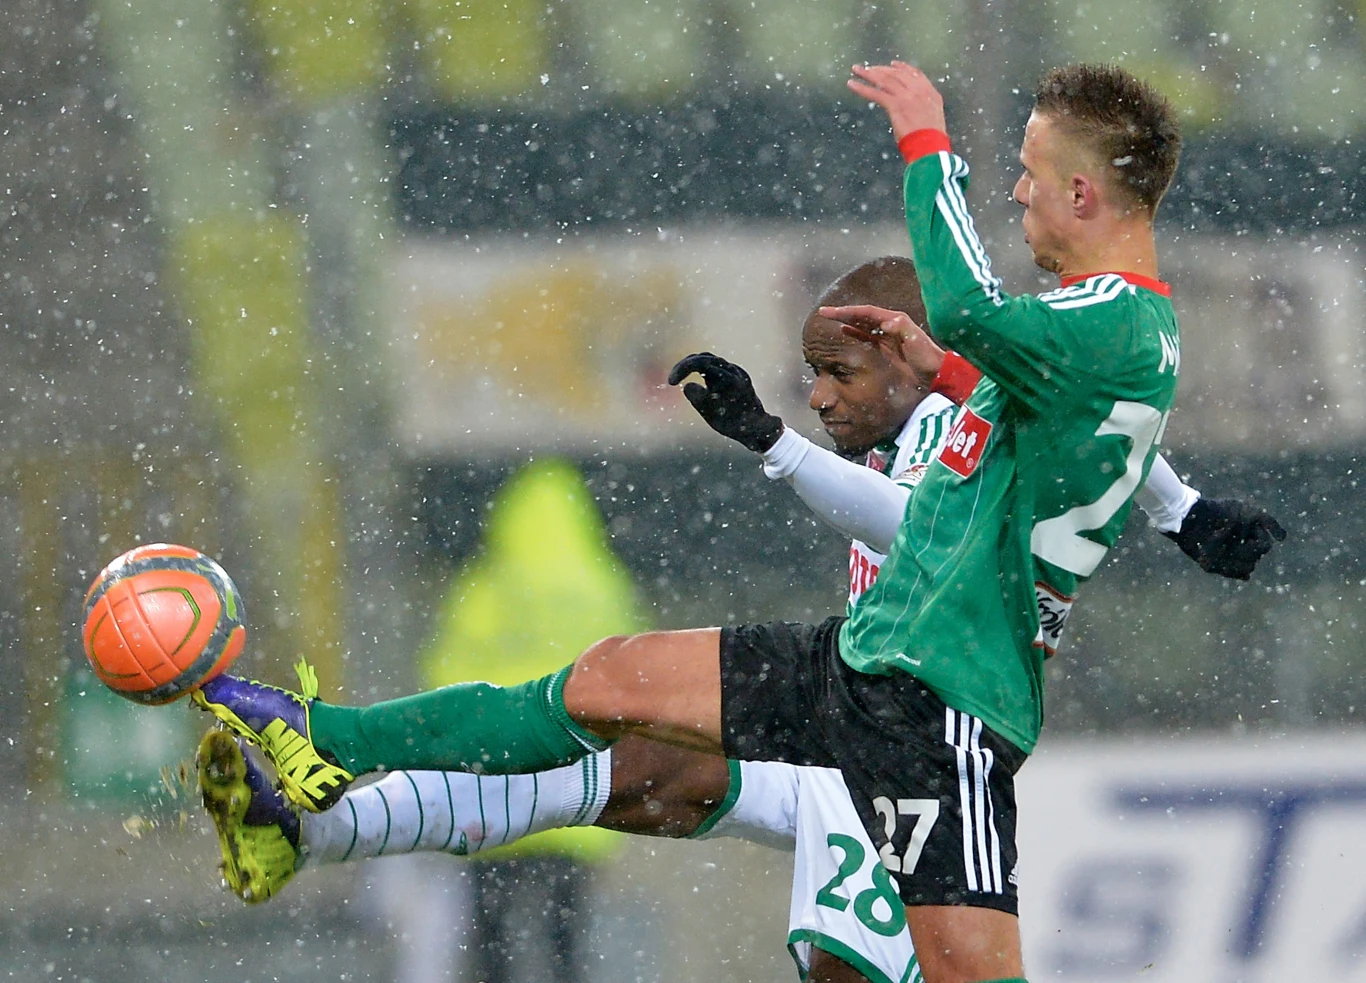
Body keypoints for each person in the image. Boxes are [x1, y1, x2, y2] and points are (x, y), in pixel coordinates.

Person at [192, 67, 1260, 977]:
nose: (1016, 190)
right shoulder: (1101, 336)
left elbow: (975, 323)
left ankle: (322, 810)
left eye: (1027, 172)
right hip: (867, 666)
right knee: (608, 689)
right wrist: (1180, 509)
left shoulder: (1104, 319)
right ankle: (323, 741)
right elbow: (1067, 412)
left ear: (1082, 190)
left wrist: (925, 143)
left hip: (941, 712)